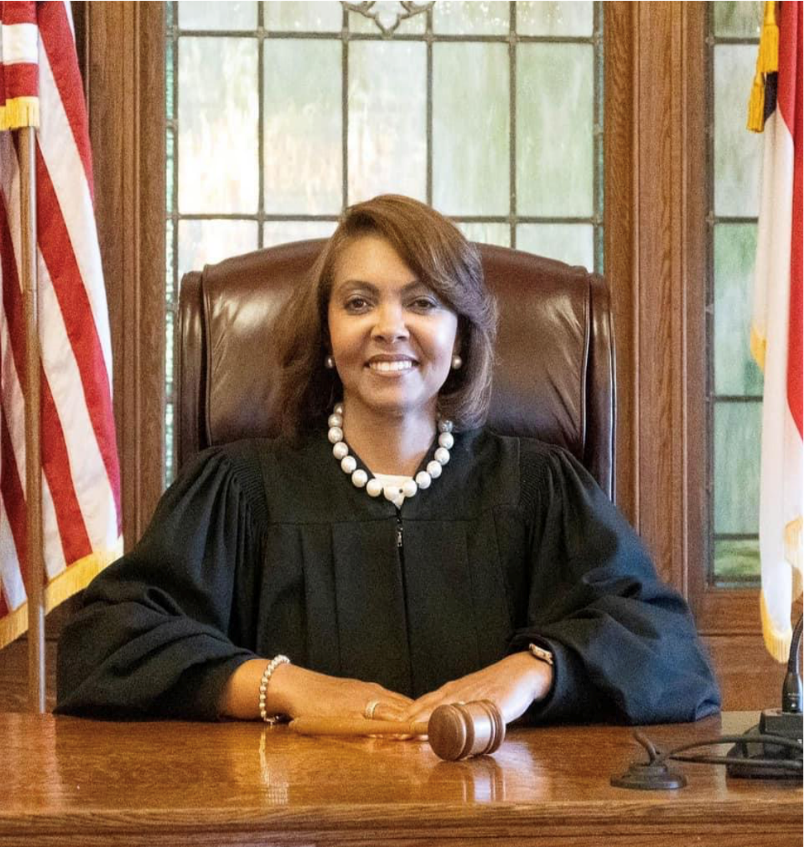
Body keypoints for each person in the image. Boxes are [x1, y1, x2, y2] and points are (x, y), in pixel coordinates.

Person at [56, 194, 720, 728]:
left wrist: (533, 670)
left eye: (423, 301)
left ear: (460, 339)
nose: (390, 325)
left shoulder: (539, 488)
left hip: (498, 827)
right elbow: (105, 643)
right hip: (295, 831)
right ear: (327, 335)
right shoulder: (240, 491)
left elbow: (670, 654)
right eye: (359, 301)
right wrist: (285, 686)